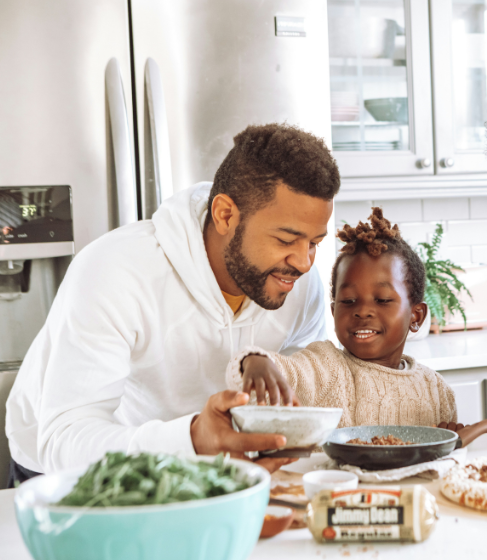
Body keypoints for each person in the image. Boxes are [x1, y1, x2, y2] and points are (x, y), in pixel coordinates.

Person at [5, 123, 340, 486]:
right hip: (70, 476)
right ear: (225, 215)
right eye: (286, 239)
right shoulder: (115, 272)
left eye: (315, 243)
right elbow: (63, 439)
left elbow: (297, 385)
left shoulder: (298, 285)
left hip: (206, 470)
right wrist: (192, 439)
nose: (305, 262)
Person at [225, 208, 459, 429]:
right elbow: (282, 373)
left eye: (382, 300)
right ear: (334, 310)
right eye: (348, 301)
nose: (363, 311)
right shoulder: (324, 367)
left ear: (416, 316)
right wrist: (253, 361)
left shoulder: (436, 390)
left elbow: (446, 455)